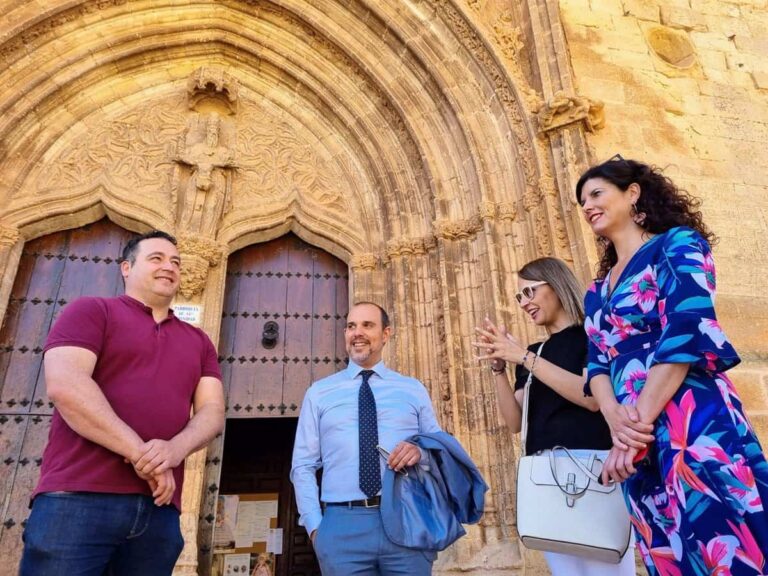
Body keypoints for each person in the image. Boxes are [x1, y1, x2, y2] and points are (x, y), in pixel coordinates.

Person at [576, 156, 768, 574]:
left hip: (687, 413)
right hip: (633, 429)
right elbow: (596, 362)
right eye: (581, 201)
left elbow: (686, 328)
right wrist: (615, 420)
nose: (587, 204)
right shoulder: (596, 291)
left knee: (719, 532)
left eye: (596, 193)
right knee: (665, 543)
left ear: (632, 194)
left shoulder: (676, 244)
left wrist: (631, 434)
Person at [20, 230, 226, 575]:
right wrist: (141, 454)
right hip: (78, 500)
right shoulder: (92, 311)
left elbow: (212, 411)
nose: (169, 267)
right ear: (126, 268)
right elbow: (66, 385)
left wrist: (175, 450)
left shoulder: (199, 341)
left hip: (158, 511)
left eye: (175, 261)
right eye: (156, 258)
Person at [474, 257, 637, 576]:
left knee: (609, 565)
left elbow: (592, 398)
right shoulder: (536, 352)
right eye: (519, 297)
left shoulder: (591, 335)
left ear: (556, 284)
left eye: (530, 292)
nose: (524, 303)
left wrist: (523, 356)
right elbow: (514, 421)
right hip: (546, 477)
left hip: (593, 469)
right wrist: (499, 368)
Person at [291, 302, 442, 576]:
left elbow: (441, 452)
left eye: (367, 325)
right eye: (351, 326)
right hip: (342, 525)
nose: (357, 332)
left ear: (386, 334)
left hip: (407, 518)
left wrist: (421, 452)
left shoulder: (412, 389)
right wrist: (316, 528)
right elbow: (302, 466)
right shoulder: (319, 393)